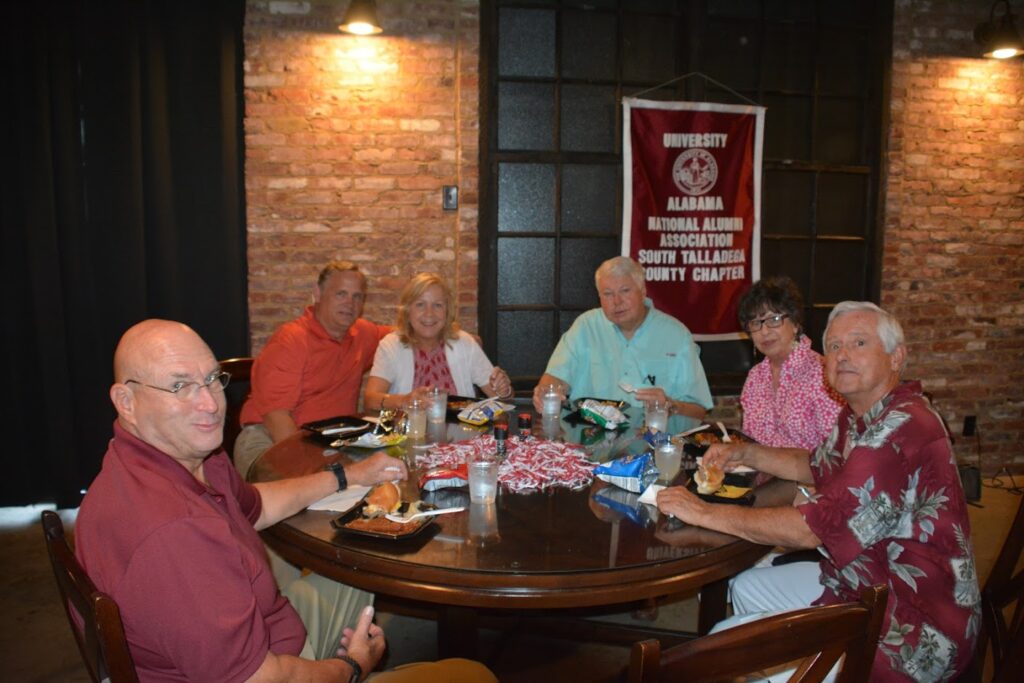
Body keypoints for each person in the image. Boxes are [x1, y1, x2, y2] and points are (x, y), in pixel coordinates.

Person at [75, 319, 495, 682]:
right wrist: (351, 668)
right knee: (474, 674)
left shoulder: (182, 458)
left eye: (211, 380)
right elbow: (259, 677)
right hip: (270, 666)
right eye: (179, 386)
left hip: (260, 625)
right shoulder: (174, 532)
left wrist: (347, 474)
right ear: (125, 402)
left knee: (353, 557)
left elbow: (255, 505)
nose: (209, 404)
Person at [657, 302, 981, 681]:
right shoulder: (859, 415)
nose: (843, 356)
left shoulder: (900, 429)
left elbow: (809, 530)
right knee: (745, 589)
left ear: (897, 357)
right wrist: (747, 453)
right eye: (835, 346)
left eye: (859, 343)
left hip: (915, 626)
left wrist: (702, 511)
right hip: (860, 582)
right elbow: (814, 464)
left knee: (727, 651)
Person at [235, 261, 391, 477]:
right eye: (341, 294)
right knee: (298, 496)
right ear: (317, 294)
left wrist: (448, 328)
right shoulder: (290, 340)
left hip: (330, 443)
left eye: (357, 297)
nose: (350, 303)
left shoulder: (363, 334)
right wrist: (309, 472)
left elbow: (407, 335)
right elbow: (276, 417)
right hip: (269, 439)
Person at [532, 255, 712, 419]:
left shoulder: (676, 335)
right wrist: (546, 392)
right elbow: (554, 378)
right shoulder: (586, 326)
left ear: (642, 291)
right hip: (589, 440)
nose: (617, 302)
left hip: (653, 443)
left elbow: (699, 411)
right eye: (608, 294)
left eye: (625, 291)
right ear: (599, 297)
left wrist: (670, 406)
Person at [363, 272, 512, 411]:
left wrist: (504, 391)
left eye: (438, 305)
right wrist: (404, 400)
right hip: (407, 437)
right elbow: (370, 400)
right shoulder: (391, 345)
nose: (429, 313)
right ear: (408, 311)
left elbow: (503, 400)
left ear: (447, 312)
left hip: (460, 437)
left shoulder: (465, 343)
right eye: (420, 304)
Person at [737, 276, 843, 449]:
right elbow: (750, 441)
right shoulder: (755, 377)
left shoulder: (822, 373)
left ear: (795, 323)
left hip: (809, 475)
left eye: (774, 320)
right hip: (758, 473)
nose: (764, 331)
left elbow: (837, 448)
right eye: (755, 323)